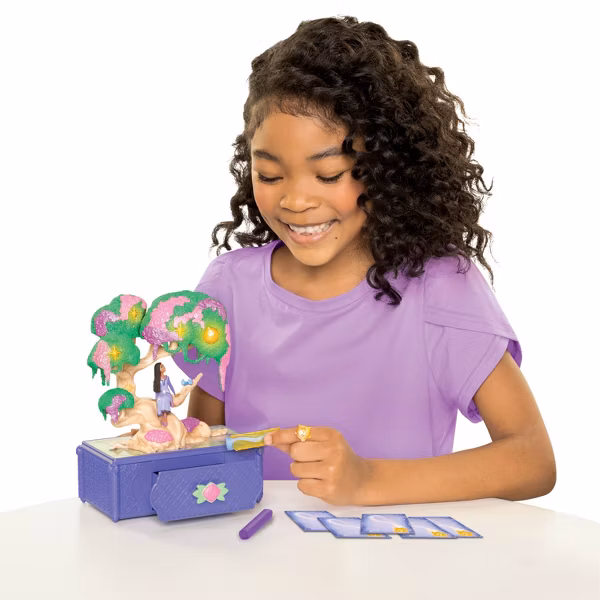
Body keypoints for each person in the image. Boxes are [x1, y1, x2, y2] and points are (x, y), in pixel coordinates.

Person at [173, 16, 556, 507]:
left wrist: (366, 480)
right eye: (269, 175)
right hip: (255, 550)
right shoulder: (229, 288)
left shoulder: (439, 289)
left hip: (392, 554)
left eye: (329, 174)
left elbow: (531, 460)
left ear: (387, 167)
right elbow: (203, 454)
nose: (295, 201)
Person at [154, 362, 175, 427]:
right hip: (160, 394)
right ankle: (161, 414)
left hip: (167, 393)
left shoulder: (167, 378)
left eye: (163, 366)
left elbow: (170, 385)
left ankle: (165, 415)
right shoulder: (156, 380)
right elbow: (156, 391)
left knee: (165, 398)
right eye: (162, 367)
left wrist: (174, 392)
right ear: (158, 370)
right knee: (161, 399)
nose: (164, 367)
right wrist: (156, 399)